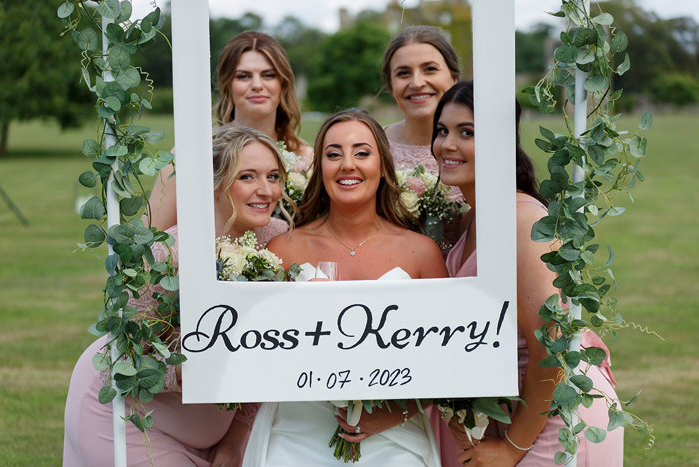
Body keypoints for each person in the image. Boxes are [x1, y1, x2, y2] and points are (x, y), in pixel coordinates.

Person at [63, 126, 293, 466]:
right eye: (247, 176)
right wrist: (182, 372)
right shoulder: (165, 253)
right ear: (215, 184)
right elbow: (121, 358)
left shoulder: (277, 239)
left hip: (216, 430)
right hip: (129, 419)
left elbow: (271, 351)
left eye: (273, 176)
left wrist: (234, 440)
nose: (266, 190)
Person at [429, 81, 624, 466]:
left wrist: (512, 448)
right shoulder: (470, 220)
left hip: (558, 416)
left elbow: (550, 347)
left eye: (467, 132)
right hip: (515, 410)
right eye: (442, 130)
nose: (447, 144)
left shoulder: (523, 222)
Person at [241, 109, 447, 466]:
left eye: (362, 153)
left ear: (383, 166)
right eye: (333, 154)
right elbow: (254, 352)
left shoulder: (421, 253)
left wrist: (393, 413)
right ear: (320, 168)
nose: (347, 164)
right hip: (296, 427)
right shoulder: (283, 251)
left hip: (393, 433)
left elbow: (449, 359)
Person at [148, 30, 312, 232]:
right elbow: (152, 237)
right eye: (243, 76)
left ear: (283, 83)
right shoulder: (192, 153)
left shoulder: (306, 158)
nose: (257, 85)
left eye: (268, 75)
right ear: (227, 84)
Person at [381, 26, 459, 177]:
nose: (416, 83)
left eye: (430, 69)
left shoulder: (481, 145)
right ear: (391, 85)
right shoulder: (372, 147)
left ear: (454, 78)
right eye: (403, 73)